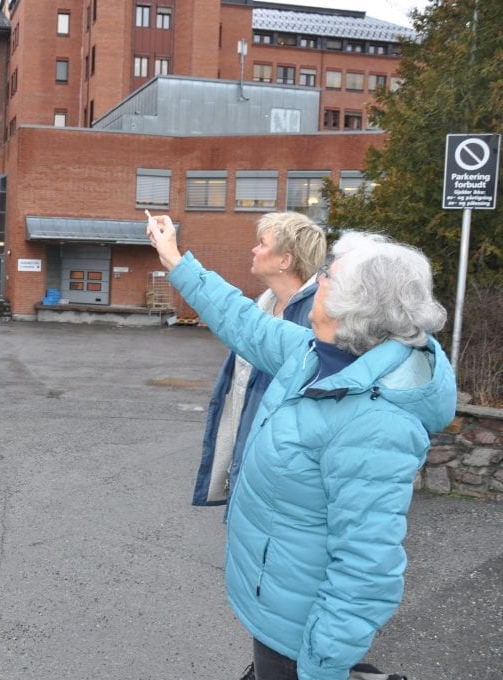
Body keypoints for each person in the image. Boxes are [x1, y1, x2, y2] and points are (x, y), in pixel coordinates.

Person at [146, 213, 455, 680]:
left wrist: (322, 667)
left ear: (353, 302)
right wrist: (172, 257)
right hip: (276, 601)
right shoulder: (315, 354)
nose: (318, 278)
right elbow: (240, 319)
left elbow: (367, 568)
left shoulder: (377, 420)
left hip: (302, 635)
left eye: (328, 273)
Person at [194, 213, 326, 508]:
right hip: (247, 458)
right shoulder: (263, 307)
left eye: (262, 244)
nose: (253, 250)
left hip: (278, 476)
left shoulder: (316, 318)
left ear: (285, 260)